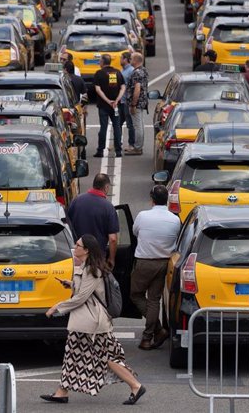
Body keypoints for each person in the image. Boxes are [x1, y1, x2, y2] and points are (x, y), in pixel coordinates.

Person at [42, 234, 146, 405]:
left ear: (87, 250)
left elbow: (81, 297)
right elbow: (86, 290)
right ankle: (62, 392)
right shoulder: (87, 267)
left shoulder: (93, 270)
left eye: (78, 245)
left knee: (104, 357)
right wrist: (71, 284)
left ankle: (135, 385)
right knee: (74, 355)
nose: (75, 247)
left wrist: (57, 307)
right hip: (88, 322)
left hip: (92, 322)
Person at [130, 185, 181, 350]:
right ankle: (148, 336)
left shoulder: (143, 216)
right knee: (154, 299)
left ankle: (156, 330)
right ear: (166, 200)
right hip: (164, 263)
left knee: (136, 294)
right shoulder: (175, 220)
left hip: (144, 261)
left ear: (152, 199)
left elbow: (135, 232)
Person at [67, 173, 119, 263]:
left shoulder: (76, 200)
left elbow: (68, 225)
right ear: (106, 187)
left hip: (78, 254)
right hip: (97, 257)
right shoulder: (108, 207)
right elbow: (113, 239)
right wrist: (111, 259)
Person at [93, 54, 125, 158]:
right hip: (115, 106)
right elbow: (123, 88)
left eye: (100, 61)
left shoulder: (99, 73)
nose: (99, 63)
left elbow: (98, 90)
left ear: (103, 62)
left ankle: (100, 150)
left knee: (103, 127)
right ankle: (118, 151)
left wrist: (108, 101)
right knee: (117, 127)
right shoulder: (117, 72)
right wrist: (116, 100)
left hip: (103, 106)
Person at [125, 52, 148, 155]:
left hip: (137, 103)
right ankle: (138, 146)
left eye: (131, 58)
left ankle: (137, 148)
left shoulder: (136, 73)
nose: (129, 60)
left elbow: (137, 89)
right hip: (142, 102)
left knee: (137, 126)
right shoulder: (143, 70)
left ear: (135, 60)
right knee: (140, 125)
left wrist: (133, 104)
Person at [118, 52, 136, 152]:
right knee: (118, 123)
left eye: (121, 58)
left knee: (130, 124)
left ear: (126, 59)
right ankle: (118, 143)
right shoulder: (123, 70)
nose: (120, 60)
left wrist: (132, 102)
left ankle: (131, 144)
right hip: (121, 100)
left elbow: (133, 87)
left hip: (127, 101)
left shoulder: (131, 71)